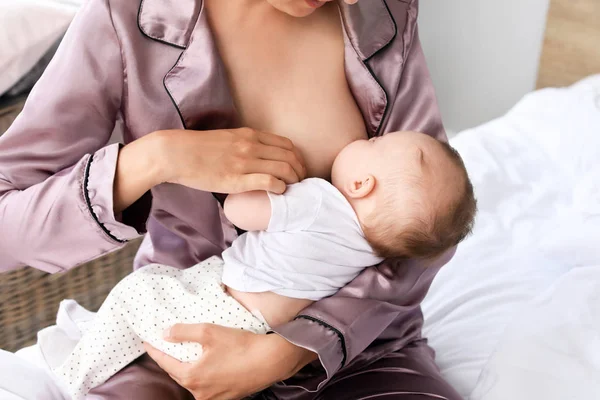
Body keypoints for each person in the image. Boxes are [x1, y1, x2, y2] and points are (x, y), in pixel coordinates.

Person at [0, 0, 464, 399]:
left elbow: (432, 222)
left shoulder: (380, 15)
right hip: (179, 339)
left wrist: (290, 350)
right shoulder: (128, 19)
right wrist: (155, 158)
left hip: (358, 351)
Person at [54, 131, 476, 399]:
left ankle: (76, 375)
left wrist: (260, 187)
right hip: (259, 336)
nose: (368, 138)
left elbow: (241, 213)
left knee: (137, 291)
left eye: (374, 144)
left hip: (217, 312)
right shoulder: (374, 251)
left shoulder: (319, 200)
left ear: (362, 184)